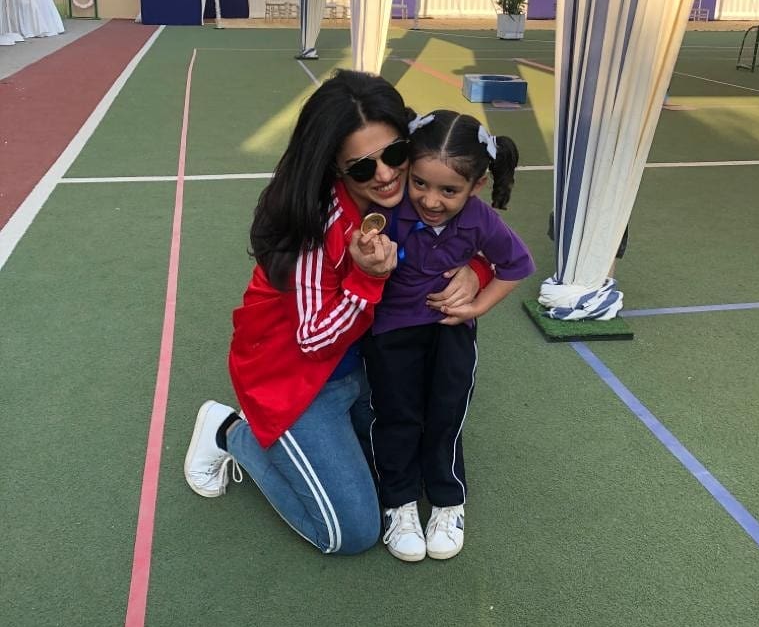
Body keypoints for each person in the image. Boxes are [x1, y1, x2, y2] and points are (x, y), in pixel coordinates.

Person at [183, 70, 488, 555]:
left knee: (398, 468)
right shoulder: (315, 221)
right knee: (352, 531)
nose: (386, 175)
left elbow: (467, 225)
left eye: (394, 154)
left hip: (365, 367)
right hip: (296, 378)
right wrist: (368, 278)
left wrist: (475, 268)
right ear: (335, 169)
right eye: (363, 168)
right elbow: (313, 340)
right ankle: (230, 432)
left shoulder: (412, 191)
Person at [362, 110, 535, 563]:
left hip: (450, 334)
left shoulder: (480, 220)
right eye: (420, 183)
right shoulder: (384, 212)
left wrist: (476, 306)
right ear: (406, 171)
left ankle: (447, 499)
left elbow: (517, 266)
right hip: (390, 335)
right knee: (397, 416)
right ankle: (399, 502)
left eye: (449, 190)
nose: (431, 200)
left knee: (447, 413)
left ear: (476, 185)